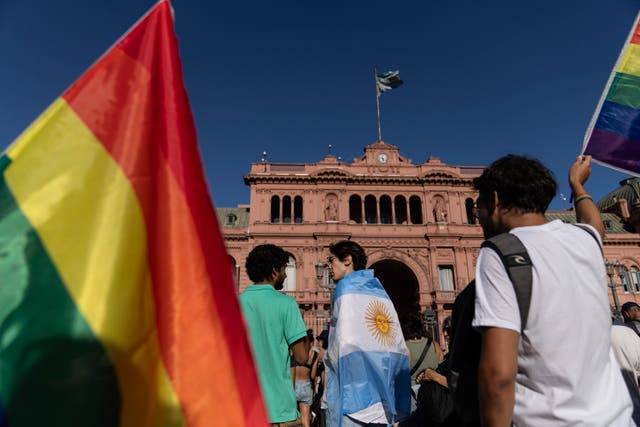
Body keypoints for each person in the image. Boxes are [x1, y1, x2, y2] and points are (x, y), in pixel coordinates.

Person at [472, 154, 633, 426]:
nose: (477, 214)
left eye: (478, 205)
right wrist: (578, 186)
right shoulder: (585, 239)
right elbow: (594, 222)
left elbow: (498, 375)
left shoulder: (500, 251)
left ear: (495, 200)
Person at [324, 240, 410, 427]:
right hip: (382, 394)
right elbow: (396, 344)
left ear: (347, 260)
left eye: (331, 260)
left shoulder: (345, 288)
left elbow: (342, 343)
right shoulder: (378, 289)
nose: (328, 267)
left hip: (353, 393)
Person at [240, 244, 309, 426]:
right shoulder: (286, 304)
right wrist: (301, 329)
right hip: (279, 410)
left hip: (243, 407)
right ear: (274, 270)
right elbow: (302, 356)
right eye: (284, 269)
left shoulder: (234, 304)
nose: (286, 275)